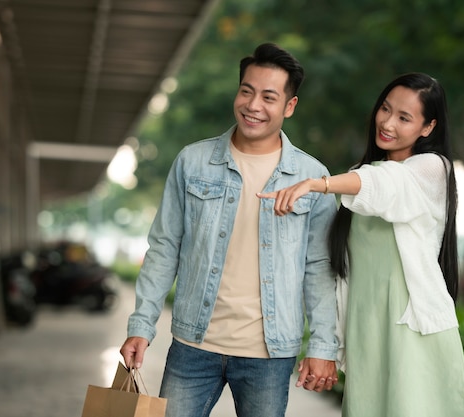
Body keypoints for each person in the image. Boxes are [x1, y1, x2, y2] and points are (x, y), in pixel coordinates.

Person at [119, 43, 339, 417]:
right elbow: (164, 247)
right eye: (247, 91)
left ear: (289, 106)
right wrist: (142, 324)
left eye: (269, 97)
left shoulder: (313, 178)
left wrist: (323, 346)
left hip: (269, 355)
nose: (253, 105)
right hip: (193, 345)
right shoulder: (193, 161)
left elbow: (318, 268)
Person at [258, 72, 464, 416]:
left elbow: (388, 184)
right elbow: (337, 270)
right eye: (385, 109)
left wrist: (316, 184)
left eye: (404, 118)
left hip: (410, 331)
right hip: (366, 331)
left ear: (428, 127)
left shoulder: (433, 170)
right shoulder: (360, 175)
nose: (387, 123)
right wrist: (327, 346)